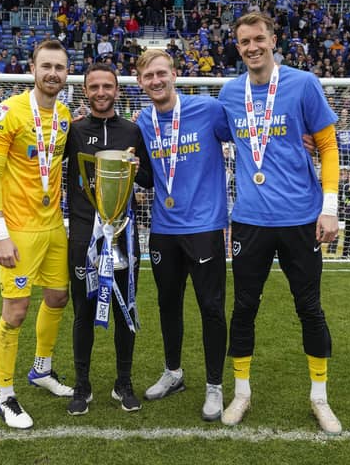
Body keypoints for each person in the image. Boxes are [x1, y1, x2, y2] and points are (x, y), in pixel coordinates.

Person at [218, 12, 342, 433]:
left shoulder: (303, 83)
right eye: (244, 42)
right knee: (245, 307)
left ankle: (319, 398)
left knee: (309, 308)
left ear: (273, 40)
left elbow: (327, 145)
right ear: (238, 48)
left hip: (301, 219)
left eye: (258, 39)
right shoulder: (229, 93)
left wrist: (330, 208)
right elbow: (207, 132)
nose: (252, 47)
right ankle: (241, 393)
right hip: (250, 220)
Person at [0, 40, 74, 430]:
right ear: (32, 68)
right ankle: (6, 396)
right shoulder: (7, 113)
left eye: (60, 67)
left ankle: (42, 369)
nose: (53, 73)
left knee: (58, 296)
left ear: (66, 73)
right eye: (46, 66)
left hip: (54, 226)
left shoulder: (66, 115)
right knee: (15, 312)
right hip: (17, 231)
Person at [135, 49, 232, 422]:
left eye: (162, 74)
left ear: (174, 74)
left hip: (205, 227)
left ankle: (214, 386)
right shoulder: (143, 120)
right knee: (167, 304)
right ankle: (173, 372)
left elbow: (244, 134)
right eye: (148, 77)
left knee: (210, 307)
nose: (156, 81)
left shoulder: (207, 110)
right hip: (162, 230)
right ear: (141, 82)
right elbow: (146, 175)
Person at [65, 63, 153, 416]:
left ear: (117, 90)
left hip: (123, 237)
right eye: (94, 86)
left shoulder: (132, 132)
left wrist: (134, 167)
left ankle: (123, 383)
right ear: (86, 90)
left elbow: (147, 179)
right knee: (82, 312)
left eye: (108, 86)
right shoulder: (72, 132)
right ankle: (82, 385)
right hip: (85, 238)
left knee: (125, 309)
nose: (101, 92)